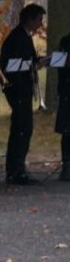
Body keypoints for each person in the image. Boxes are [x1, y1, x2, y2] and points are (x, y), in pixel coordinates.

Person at [0, 3, 47, 185]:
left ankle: (18, 168)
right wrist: (33, 64)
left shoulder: (24, 37)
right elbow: (10, 65)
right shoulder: (17, 38)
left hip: (23, 89)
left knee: (24, 129)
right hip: (18, 89)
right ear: (30, 20)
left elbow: (30, 59)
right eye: (38, 20)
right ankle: (15, 170)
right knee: (21, 129)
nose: (40, 24)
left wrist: (41, 61)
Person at [55, 31, 70, 181]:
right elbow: (61, 64)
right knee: (67, 130)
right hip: (67, 90)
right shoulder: (65, 42)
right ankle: (67, 165)